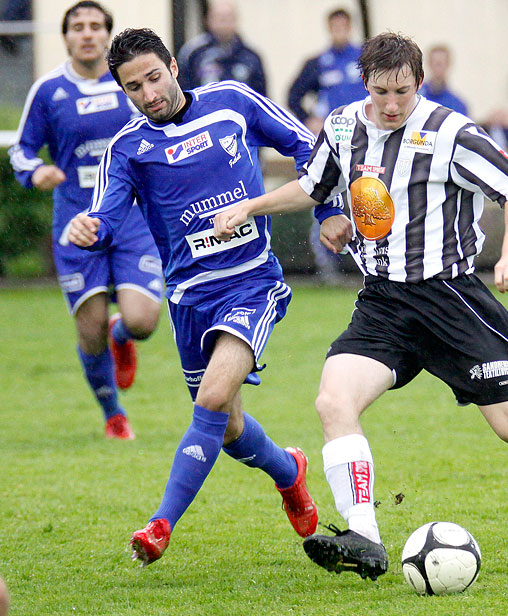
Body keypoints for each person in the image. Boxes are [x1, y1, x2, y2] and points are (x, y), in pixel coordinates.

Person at [213, 32, 508, 581]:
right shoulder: (346, 125)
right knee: (334, 401)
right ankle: (364, 538)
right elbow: (314, 184)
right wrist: (251, 207)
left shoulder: (451, 132)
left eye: (401, 91)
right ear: (364, 85)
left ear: (419, 82)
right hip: (384, 302)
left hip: (451, 299)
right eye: (380, 92)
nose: (391, 104)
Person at [68, 27, 348, 566]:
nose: (148, 94)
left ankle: (160, 525)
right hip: (189, 299)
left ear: (174, 66)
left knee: (212, 399)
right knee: (230, 428)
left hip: (251, 282)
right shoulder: (128, 149)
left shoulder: (232, 104)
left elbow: (308, 149)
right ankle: (290, 472)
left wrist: (327, 209)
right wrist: (88, 228)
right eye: (133, 88)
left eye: (153, 77)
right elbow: (106, 216)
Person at [9, 1, 162, 440]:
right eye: (78, 26)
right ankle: (113, 413)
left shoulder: (132, 85)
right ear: (66, 37)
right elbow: (22, 149)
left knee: (142, 322)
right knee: (89, 328)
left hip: (133, 219)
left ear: (108, 35)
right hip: (77, 223)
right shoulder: (48, 90)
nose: (87, 33)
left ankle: (123, 335)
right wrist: (35, 171)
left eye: (96, 26)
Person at [287, 8, 367, 284]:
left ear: (351, 26)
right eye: (335, 26)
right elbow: (294, 95)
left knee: (364, 198)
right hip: (334, 144)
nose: (339, 31)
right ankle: (329, 267)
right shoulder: (319, 62)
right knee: (326, 196)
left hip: (365, 142)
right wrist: (308, 120)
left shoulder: (364, 59)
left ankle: (368, 265)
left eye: (344, 26)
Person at [176, 0, 266, 95]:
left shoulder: (251, 56)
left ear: (236, 20)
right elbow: (184, 92)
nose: (224, 23)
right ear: (208, 19)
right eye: (220, 18)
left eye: (228, 18)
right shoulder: (194, 53)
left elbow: (261, 96)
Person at [419, 44, 468, 115]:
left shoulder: (458, 106)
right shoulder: (417, 98)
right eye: (435, 63)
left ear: (448, 65)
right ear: (429, 64)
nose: (438, 68)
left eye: (441, 63)